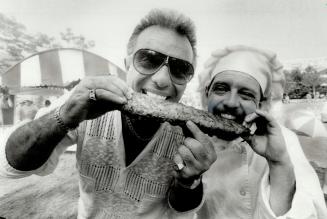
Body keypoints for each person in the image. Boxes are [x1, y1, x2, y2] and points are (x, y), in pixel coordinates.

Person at [0, 9, 217, 218]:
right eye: (149, 59)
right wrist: (63, 117)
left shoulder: (190, 132)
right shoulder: (87, 101)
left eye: (180, 69)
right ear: (127, 64)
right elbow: (12, 166)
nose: (161, 79)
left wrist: (189, 180)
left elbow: (182, 208)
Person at [196, 45, 327, 219]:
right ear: (207, 93)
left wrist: (278, 163)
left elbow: (311, 213)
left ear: (261, 104)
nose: (231, 102)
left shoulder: (285, 140)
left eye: (246, 94)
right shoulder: (190, 140)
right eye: (221, 88)